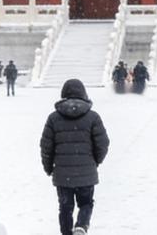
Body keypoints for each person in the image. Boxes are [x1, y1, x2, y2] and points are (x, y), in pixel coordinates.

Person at [40, 78, 110, 235]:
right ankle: (81, 226)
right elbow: (103, 144)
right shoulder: (93, 117)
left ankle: (66, 232)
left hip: (62, 174)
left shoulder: (53, 118)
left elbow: (46, 147)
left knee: (65, 207)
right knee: (86, 203)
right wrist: (95, 161)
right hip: (86, 173)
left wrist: (48, 167)